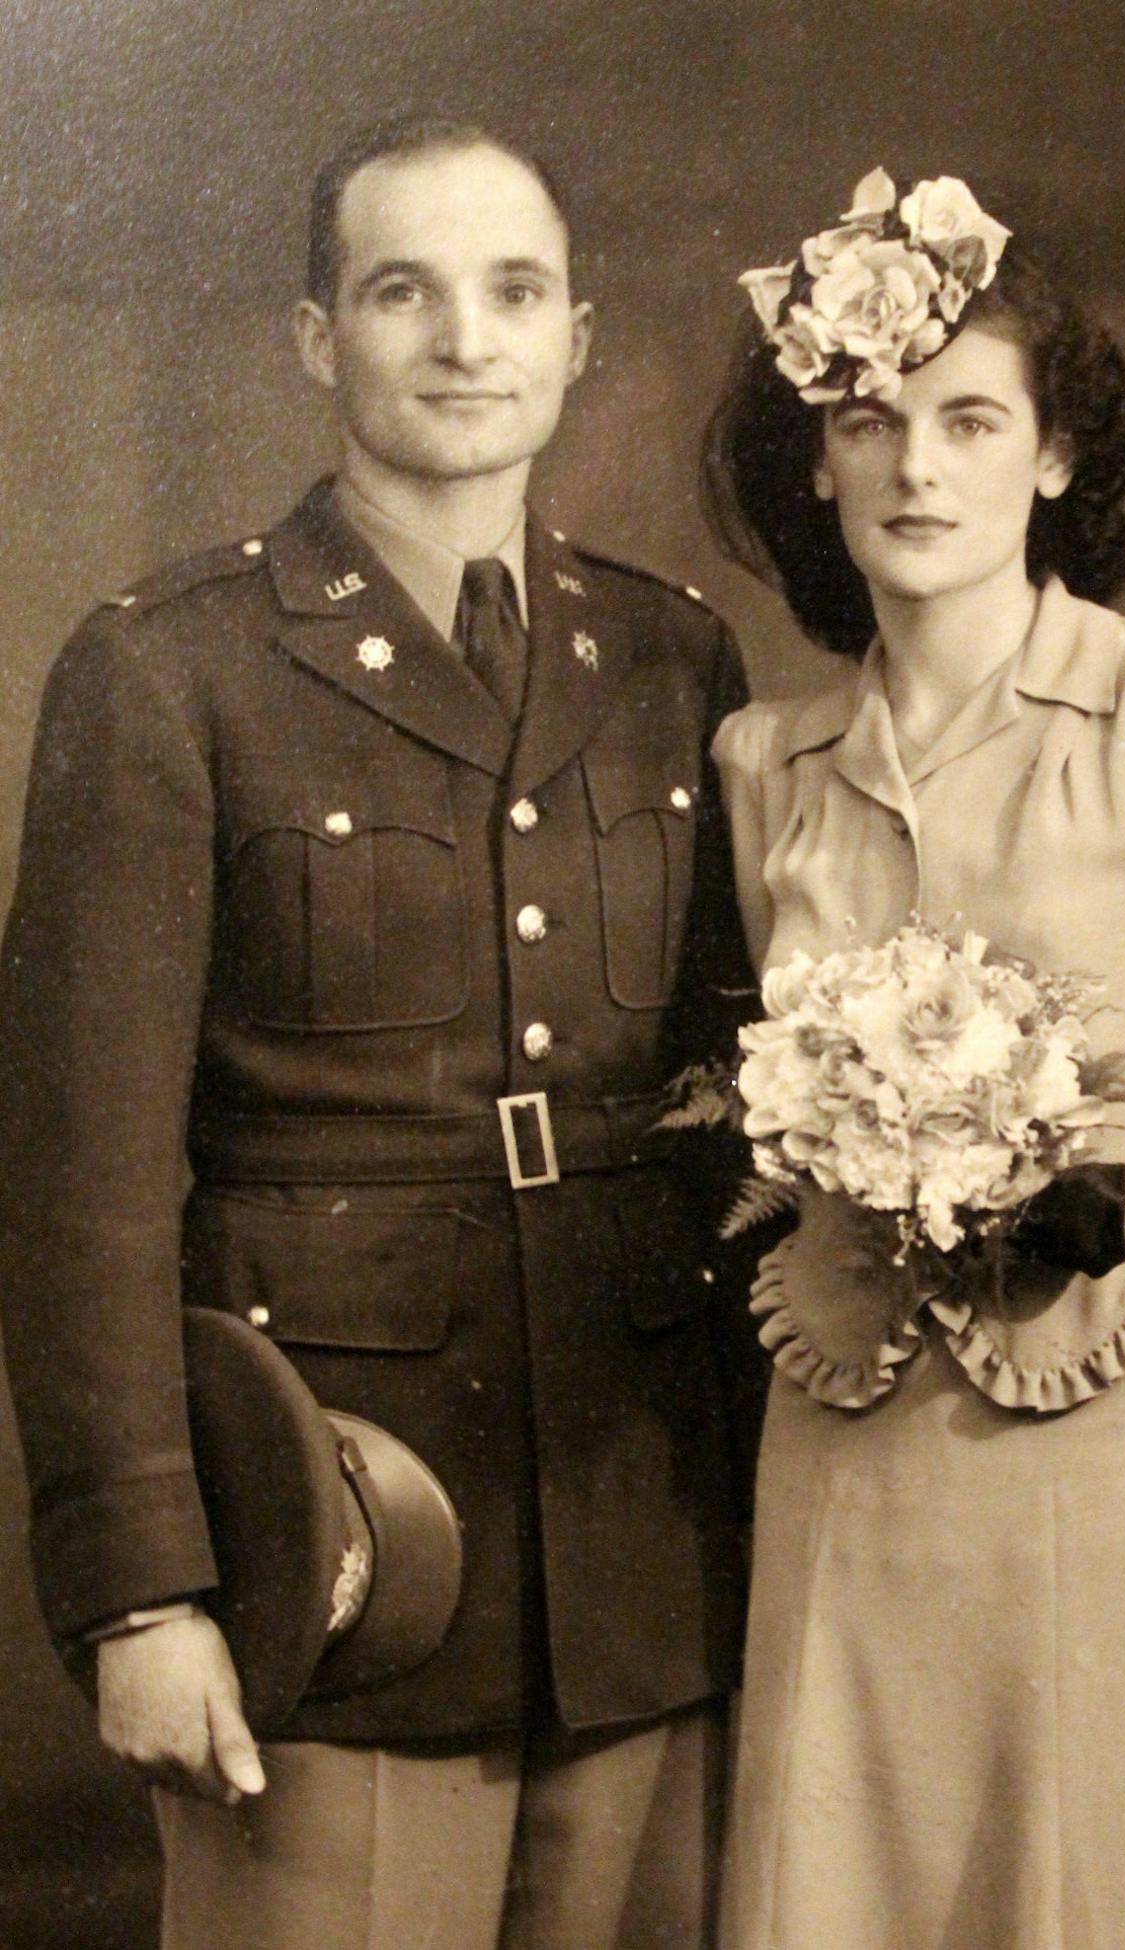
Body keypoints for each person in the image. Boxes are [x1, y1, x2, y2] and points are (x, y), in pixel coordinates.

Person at [0, 115, 761, 1950]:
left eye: (515, 291)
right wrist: (140, 1594)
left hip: (639, 1544)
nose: (464, 338)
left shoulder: (672, 661)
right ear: (315, 338)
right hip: (329, 1539)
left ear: (578, 336)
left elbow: (746, 1103)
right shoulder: (168, 666)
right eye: (402, 289)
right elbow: (78, 1187)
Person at [702, 168, 1125, 1950]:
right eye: (870, 422)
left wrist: (1123, 1197)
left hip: (1119, 1427)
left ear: (1057, 457)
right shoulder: (764, 760)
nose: (918, 468)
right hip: (848, 1451)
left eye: (970, 419)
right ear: (820, 463)